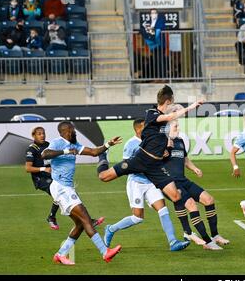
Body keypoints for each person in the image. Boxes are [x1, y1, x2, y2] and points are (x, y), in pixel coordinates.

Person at [96, 86, 203, 251]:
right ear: (167, 101)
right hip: (140, 162)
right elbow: (173, 115)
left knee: (175, 196)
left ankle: (174, 241)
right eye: (172, 102)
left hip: (154, 167)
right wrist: (192, 106)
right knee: (104, 177)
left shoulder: (163, 120)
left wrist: (165, 146)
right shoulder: (152, 114)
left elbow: (170, 119)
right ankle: (110, 228)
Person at [103, 118, 190, 252]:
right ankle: (111, 229)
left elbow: (158, 159)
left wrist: (164, 154)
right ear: (138, 129)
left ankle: (173, 241)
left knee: (163, 209)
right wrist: (144, 164)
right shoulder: (131, 144)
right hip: (136, 183)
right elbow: (126, 165)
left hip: (151, 182)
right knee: (138, 217)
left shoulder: (153, 140)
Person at [41, 121, 122, 265]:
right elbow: (44, 154)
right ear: (66, 131)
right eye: (72, 130)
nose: (74, 132)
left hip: (67, 188)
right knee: (85, 218)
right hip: (60, 187)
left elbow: (93, 152)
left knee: (79, 224)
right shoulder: (58, 142)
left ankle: (61, 254)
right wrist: (65, 151)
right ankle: (105, 252)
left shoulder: (74, 144)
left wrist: (108, 144)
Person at [164, 117, 229, 250]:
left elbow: (185, 159)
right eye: (176, 126)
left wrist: (194, 168)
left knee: (209, 200)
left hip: (183, 180)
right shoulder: (162, 143)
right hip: (171, 183)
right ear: (167, 128)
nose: (179, 129)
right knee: (192, 206)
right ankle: (207, 242)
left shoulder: (180, 141)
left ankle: (215, 235)